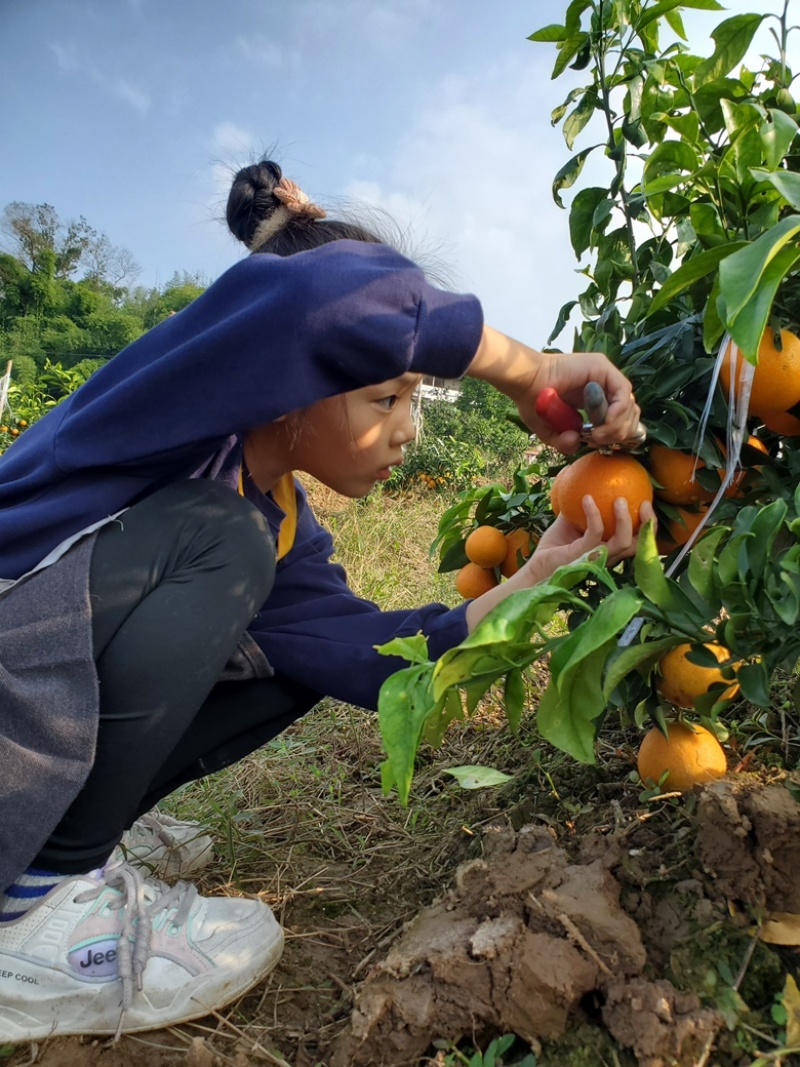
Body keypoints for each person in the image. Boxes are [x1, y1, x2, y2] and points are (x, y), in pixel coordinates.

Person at [0, 159, 648, 1043]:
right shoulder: (184, 399)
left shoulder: (276, 524)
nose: (408, 428)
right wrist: (527, 368)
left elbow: (361, 652)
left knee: (288, 661)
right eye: (387, 394)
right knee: (217, 544)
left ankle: (63, 844)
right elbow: (330, 301)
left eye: (412, 397)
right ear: (291, 377)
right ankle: (28, 926)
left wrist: (531, 579)